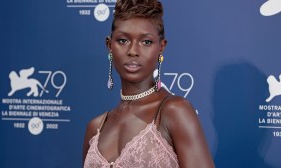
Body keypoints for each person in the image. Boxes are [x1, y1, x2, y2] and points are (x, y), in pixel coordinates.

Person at [83, 0, 215, 167]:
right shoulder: (95, 127)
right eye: (123, 40)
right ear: (109, 45)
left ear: (161, 47)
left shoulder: (174, 111)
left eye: (146, 42)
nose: (133, 51)